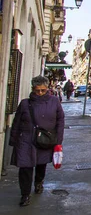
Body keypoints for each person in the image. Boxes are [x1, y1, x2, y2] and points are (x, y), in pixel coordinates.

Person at [9, 76, 65, 207]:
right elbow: (16, 122)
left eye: (43, 90)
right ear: (33, 89)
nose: (40, 93)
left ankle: (39, 182)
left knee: (41, 164)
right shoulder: (24, 103)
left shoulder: (54, 101)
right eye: (37, 90)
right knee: (25, 167)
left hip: (45, 139)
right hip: (26, 139)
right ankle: (25, 195)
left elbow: (60, 121)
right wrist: (13, 140)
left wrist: (58, 141)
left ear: (47, 89)